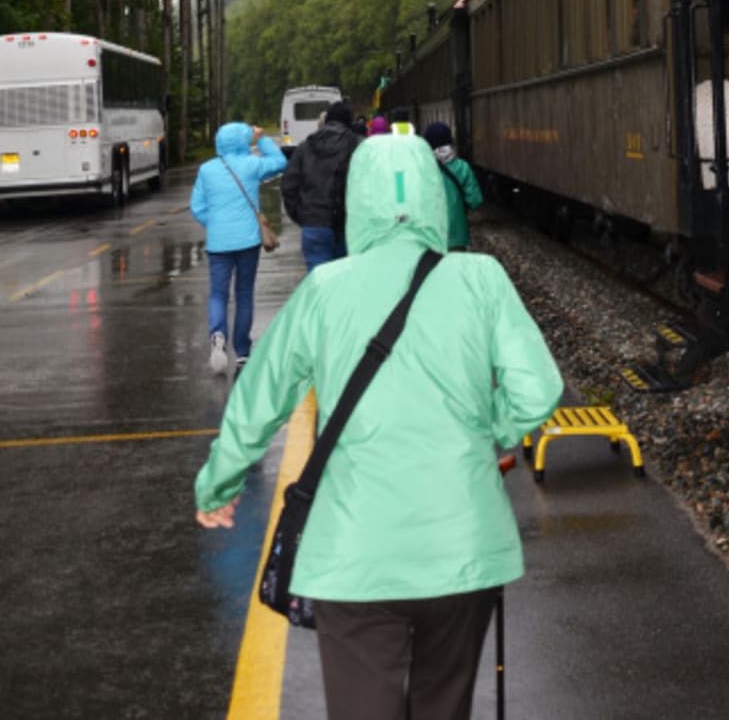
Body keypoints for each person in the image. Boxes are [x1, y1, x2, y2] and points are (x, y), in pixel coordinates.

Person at [194, 132, 563, 720]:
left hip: (353, 557)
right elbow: (538, 389)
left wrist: (218, 484)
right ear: (432, 200)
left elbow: (258, 401)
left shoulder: (323, 290)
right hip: (462, 549)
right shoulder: (481, 279)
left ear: (356, 202)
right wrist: (487, 429)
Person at [190, 121, 286, 374]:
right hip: (247, 241)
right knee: (244, 294)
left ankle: (218, 335)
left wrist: (215, 225)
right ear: (244, 141)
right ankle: (242, 351)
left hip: (218, 243)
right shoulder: (252, 165)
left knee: (218, 294)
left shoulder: (207, 170)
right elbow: (279, 162)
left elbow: (197, 206)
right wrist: (262, 139)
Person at [281, 99, 360, 272]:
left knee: (318, 284)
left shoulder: (305, 146)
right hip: (348, 224)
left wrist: (303, 216)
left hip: (314, 224)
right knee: (344, 281)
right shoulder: (357, 145)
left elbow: (289, 185)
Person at [423, 121, 483, 251]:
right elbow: (475, 201)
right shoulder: (463, 167)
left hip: (429, 237)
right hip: (457, 238)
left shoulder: (421, 169)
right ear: (450, 142)